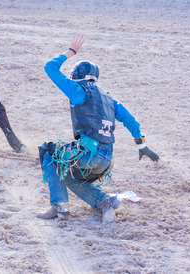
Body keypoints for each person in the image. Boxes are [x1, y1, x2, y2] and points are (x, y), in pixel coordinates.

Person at [37, 34, 159, 223]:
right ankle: (105, 203)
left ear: (77, 77)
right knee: (68, 175)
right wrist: (141, 145)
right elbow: (132, 122)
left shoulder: (78, 89)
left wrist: (71, 51)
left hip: (88, 153)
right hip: (106, 159)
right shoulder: (110, 99)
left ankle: (59, 207)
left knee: (49, 153)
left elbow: (50, 67)